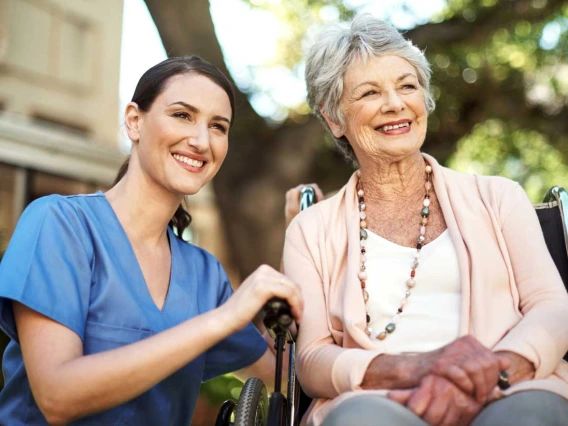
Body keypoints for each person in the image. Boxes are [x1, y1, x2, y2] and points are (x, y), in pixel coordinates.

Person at [282, 14, 568, 426]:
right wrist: (415, 370)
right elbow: (310, 359)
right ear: (333, 118)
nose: (395, 103)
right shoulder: (310, 230)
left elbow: (552, 307)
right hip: (378, 399)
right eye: (369, 92)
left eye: (407, 86)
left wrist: (492, 371)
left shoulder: (498, 197)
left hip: (507, 388)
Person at [0, 56, 303, 426]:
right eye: (182, 115)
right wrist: (221, 319)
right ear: (134, 121)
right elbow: (56, 395)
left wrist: (303, 237)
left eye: (218, 126)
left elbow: (287, 377)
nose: (201, 140)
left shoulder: (204, 275)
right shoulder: (61, 224)